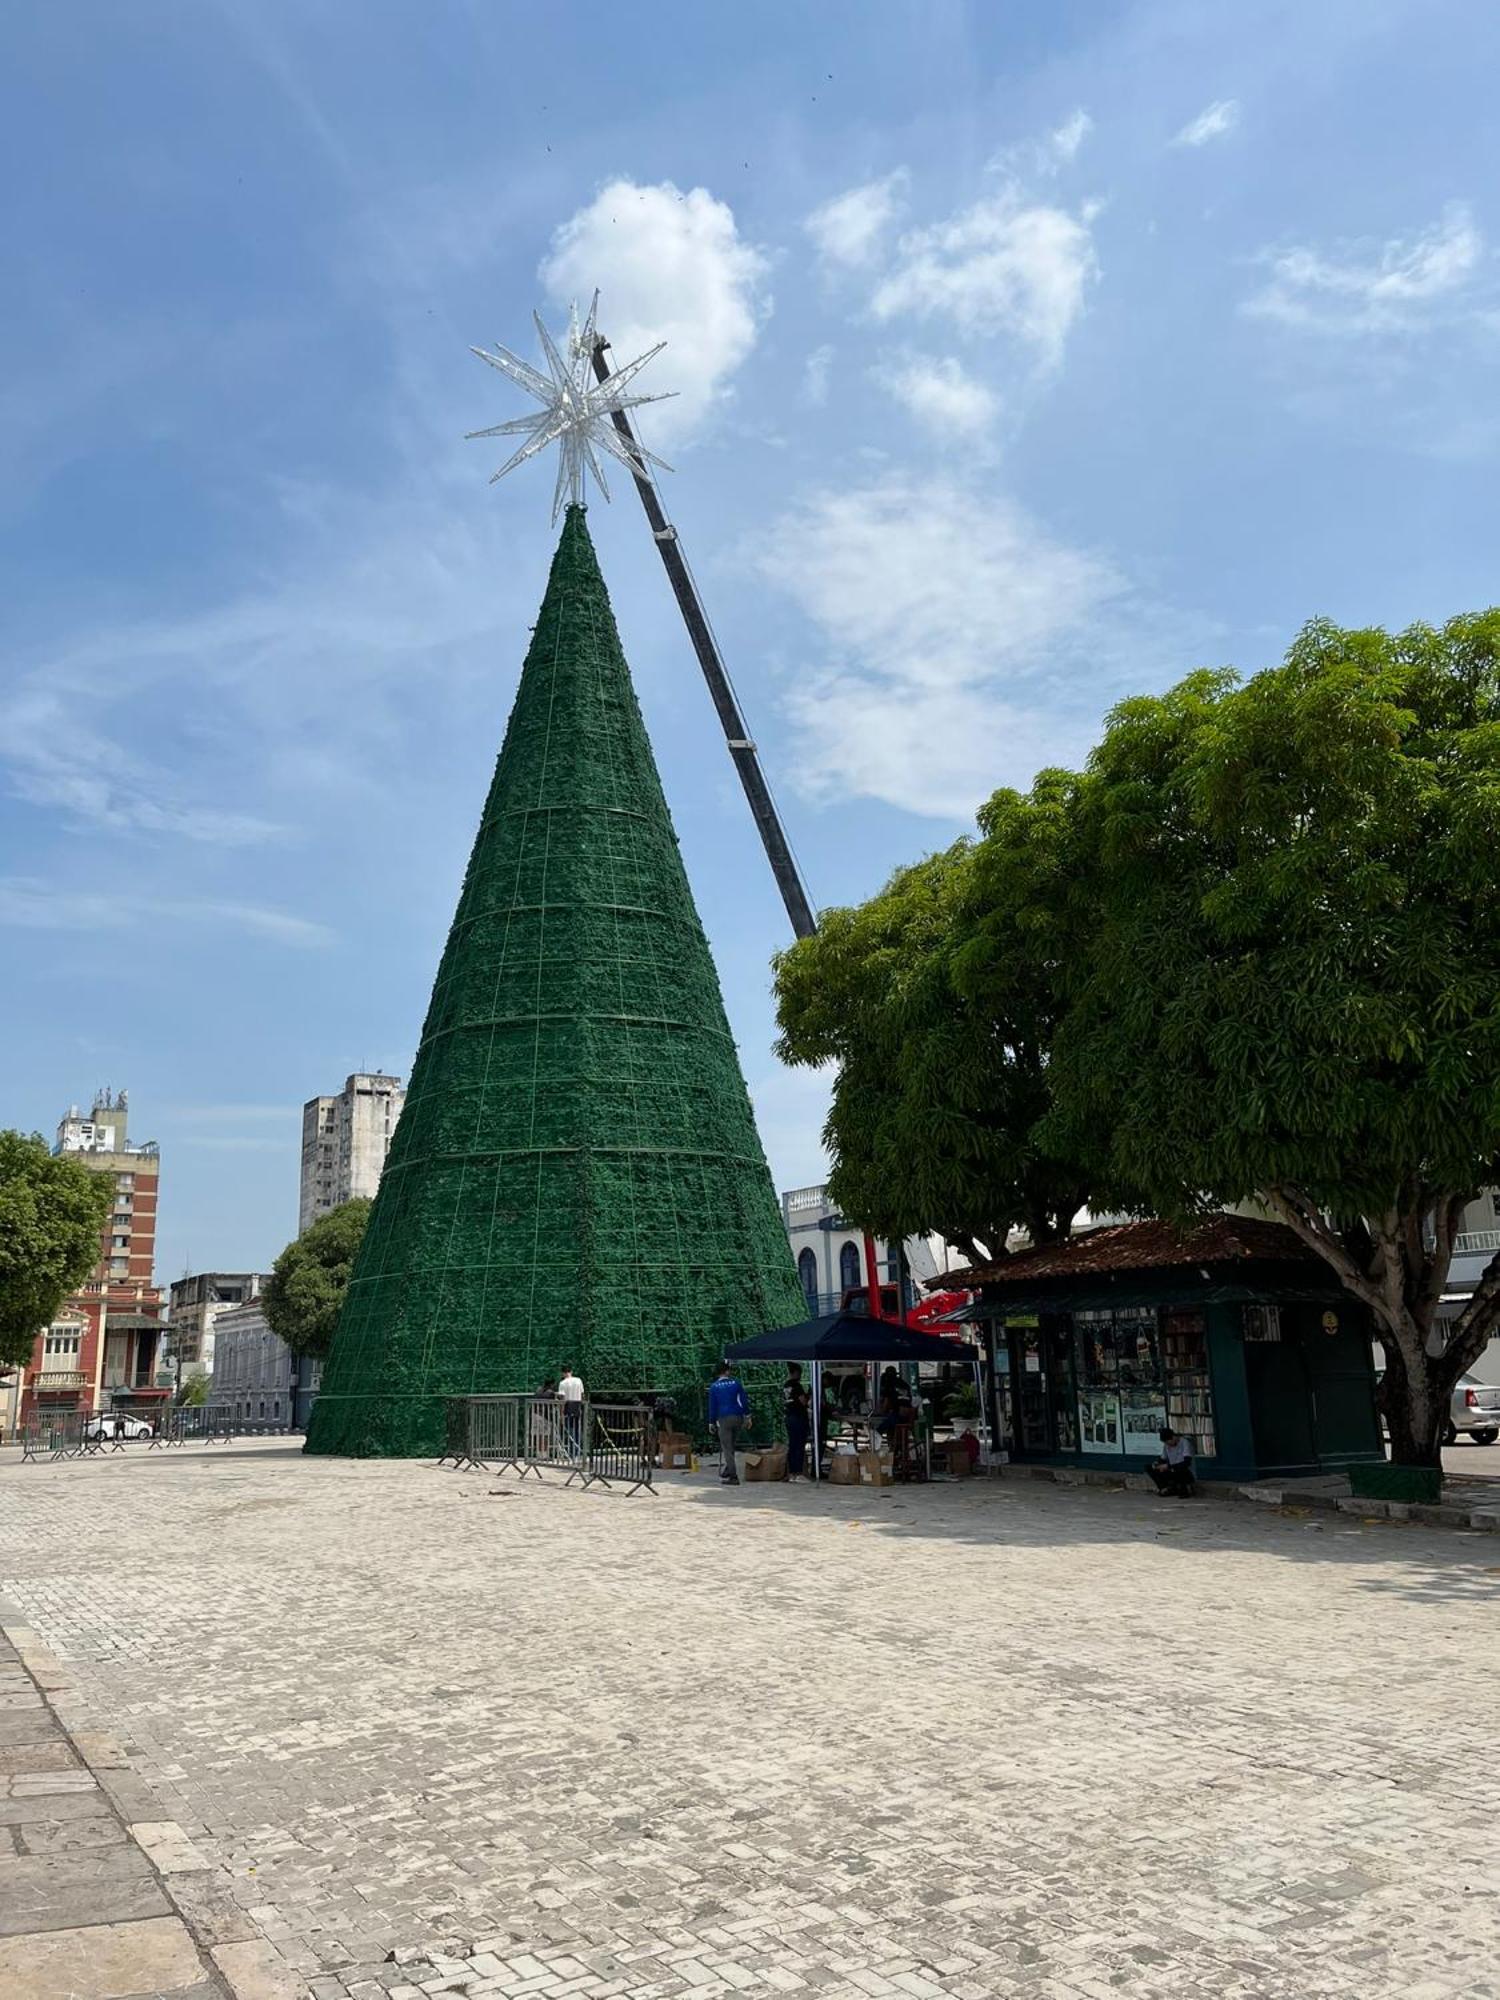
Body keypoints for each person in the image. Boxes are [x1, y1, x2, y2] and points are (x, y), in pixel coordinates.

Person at [707, 1360, 750, 1484]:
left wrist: (711, 1422)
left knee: (726, 1447)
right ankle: (727, 1469)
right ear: (727, 1371)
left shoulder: (714, 1387)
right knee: (731, 1445)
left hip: (724, 1417)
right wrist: (747, 1415)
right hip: (737, 1416)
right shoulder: (736, 1383)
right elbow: (743, 1401)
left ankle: (733, 1476)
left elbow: (713, 1406)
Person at [1148, 1427, 1195, 1496]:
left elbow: (1187, 1462)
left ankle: (1183, 1488)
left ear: (1173, 1437)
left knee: (1180, 1469)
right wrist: (1157, 1464)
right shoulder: (1167, 1446)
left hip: (1182, 1471)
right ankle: (1164, 1488)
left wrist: (1168, 1466)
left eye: (1168, 1442)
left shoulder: (1184, 1443)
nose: (1168, 1444)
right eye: (1166, 1443)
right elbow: (1163, 1458)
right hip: (1171, 1469)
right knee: (1150, 1468)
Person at [783, 1363, 811, 1479]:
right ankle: (798, 1472)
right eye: (800, 1373)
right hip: (798, 1417)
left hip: (789, 1416)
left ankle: (790, 1472)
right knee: (799, 1444)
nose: (800, 1375)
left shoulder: (786, 1385)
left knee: (792, 1444)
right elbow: (803, 1401)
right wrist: (809, 1394)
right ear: (796, 1373)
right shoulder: (796, 1385)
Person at [558, 1366, 585, 1455]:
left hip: (568, 1407)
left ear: (563, 1373)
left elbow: (562, 1399)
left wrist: (561, 1414)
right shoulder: (579, 1380)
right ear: (571, 1371)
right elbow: (582, 1394)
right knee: (577, 1430)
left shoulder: (563, 1383)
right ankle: (577, 1451)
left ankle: (572, 1452)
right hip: (577, 1406)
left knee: (570, 1431)